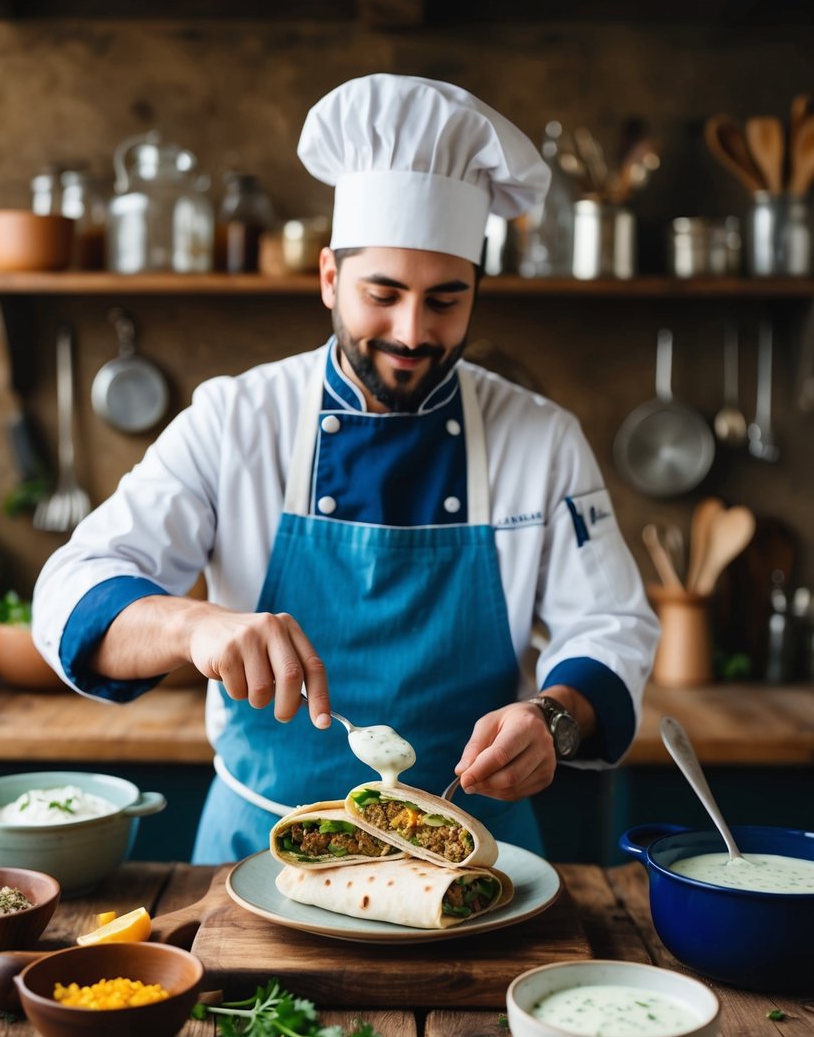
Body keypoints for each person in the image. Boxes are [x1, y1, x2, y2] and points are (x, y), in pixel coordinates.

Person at [33, 74, 659, 863]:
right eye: (383, 293)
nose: (411, 331)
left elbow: (610, 625)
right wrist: (192, 625)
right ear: (329, 277)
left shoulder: (539, 437)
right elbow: (70, 592)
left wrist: (555, 716)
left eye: (445, 300)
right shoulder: (237, 418)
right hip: (255, 850)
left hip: (477, 853)